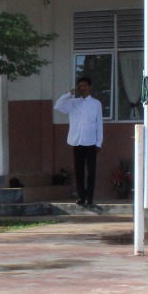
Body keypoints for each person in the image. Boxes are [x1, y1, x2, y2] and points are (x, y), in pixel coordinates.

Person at [54, 76, 104, 208]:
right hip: (76, 141)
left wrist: (99, 142)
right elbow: (58, 105)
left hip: (91, 141)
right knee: (79, 171)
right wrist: (69, 94)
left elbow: (99, 124)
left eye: (84, 85)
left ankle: (89, 197)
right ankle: (81, 196)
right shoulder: (72, 103)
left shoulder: (96, 104)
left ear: (90, 87)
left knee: (91, 171)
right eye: (80, 86)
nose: (82, 88)